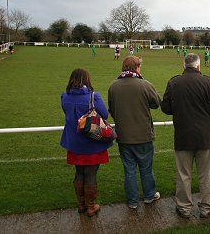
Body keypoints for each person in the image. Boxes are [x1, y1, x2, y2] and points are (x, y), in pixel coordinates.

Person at [161, 53, 210, 218]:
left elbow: (165, 108)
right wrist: (209, 123)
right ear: (198, 66)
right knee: (206, 175)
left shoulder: (174, 82)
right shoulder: (208, 82)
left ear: (184, 65)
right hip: (204, 136)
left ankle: (184, 208)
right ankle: (205, 208)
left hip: (183, 135)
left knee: (183, 175)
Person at [108, 56, 161, 209]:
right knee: (146, 169)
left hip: (124, 136)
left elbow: (111, 109)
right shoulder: (145, 84)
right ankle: (149, 196)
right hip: (143, 135)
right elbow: (156, 103)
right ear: (137, 67)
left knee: (129, 170)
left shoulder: (113, 86)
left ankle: (132, 201)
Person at [60, 68, 112, 217]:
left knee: (79, 172)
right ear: (87, 79)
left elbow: (66, 111)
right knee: (90, 173)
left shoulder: (64, 96)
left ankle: (81, 204)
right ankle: (90, 206)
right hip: (92, 141)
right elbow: (105, 114)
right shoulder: (93, 96)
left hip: (74, 142)